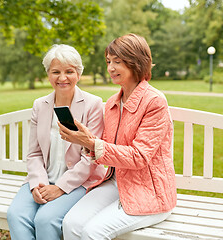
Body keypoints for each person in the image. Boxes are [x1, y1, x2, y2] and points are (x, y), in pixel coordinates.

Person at [59, 34, 177, 240]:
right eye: (108, 62)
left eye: (117, 62)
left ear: (136, 62)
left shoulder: (155, 102)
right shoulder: (113, 103)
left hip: (149, 192)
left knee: (91, 233)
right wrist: (86, 140)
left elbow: (139, 156)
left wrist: (92, 143)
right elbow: (107, 147)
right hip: (116, 181)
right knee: (70, 224)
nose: (110, 68)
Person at [7, 44, 106, 240]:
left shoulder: (93, 104)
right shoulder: (40, 105)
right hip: (43, 179)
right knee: (16, 215)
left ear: (78, 73)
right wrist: (37, 185)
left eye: (69, 71)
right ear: (48, 74)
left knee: (45, 219)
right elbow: (34, 153)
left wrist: (60, 187)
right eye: (56, 72)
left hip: (79, 182)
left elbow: (90, 158)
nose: (62, 78)